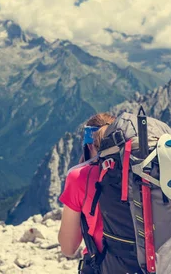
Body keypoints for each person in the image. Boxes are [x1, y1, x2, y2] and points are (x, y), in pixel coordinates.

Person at [58, 112, 115, 272]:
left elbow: (68, 248)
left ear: (89, 145)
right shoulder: (141, 174)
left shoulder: (79, 177)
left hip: (102, 266)